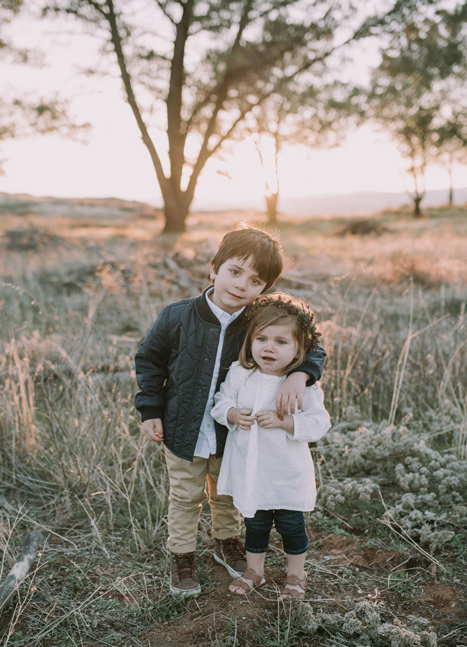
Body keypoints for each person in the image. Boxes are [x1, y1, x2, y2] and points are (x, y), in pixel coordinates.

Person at [135, 226, 326, 597]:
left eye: (255, 281)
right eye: (234, 272)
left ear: (264, 289)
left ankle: (226, 542)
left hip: (232, 434)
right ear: (214, 268)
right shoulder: (177, 316)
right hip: (182, 428)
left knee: (227, 493)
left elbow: (311, 342)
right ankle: (182, 556)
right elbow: (149, 361)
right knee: (185, 496)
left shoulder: (258, 320)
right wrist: (149, 409)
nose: (241, 285)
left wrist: (299, 375)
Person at [211, 292, 331, 600]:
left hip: (286, 471)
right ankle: (256, 571)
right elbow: (220, 401)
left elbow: (320, 424)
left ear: (299, 349)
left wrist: (285, 422)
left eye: (281, 342)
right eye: (262, 338)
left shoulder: (303, 385)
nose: (269, 347)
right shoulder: (241, 374)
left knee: (291, 525)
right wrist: (231, 413)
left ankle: (296, 574)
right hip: (251, 470)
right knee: (256, 523)